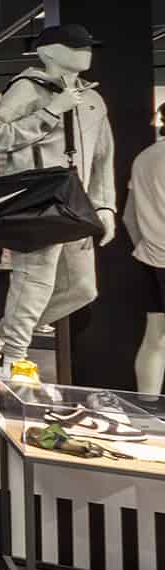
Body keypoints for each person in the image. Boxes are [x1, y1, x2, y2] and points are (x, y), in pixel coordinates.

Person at [0, 25, 116, 379]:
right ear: (47, 51)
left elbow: (103, 158)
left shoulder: (93, 99)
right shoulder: (28, 88)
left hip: (77, 206)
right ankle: (15, 360)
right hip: (38, 202)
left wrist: (105, 205)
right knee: (33, 283)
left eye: (88, 46)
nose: (86, 52)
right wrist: (50, 112)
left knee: (82, 289)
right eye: (75, 46)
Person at [126, 105, 165, 397]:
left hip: (152, 258)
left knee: (155, 336)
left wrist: (147, 244)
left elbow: (128, 216)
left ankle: (148, 409)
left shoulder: (144, 158)